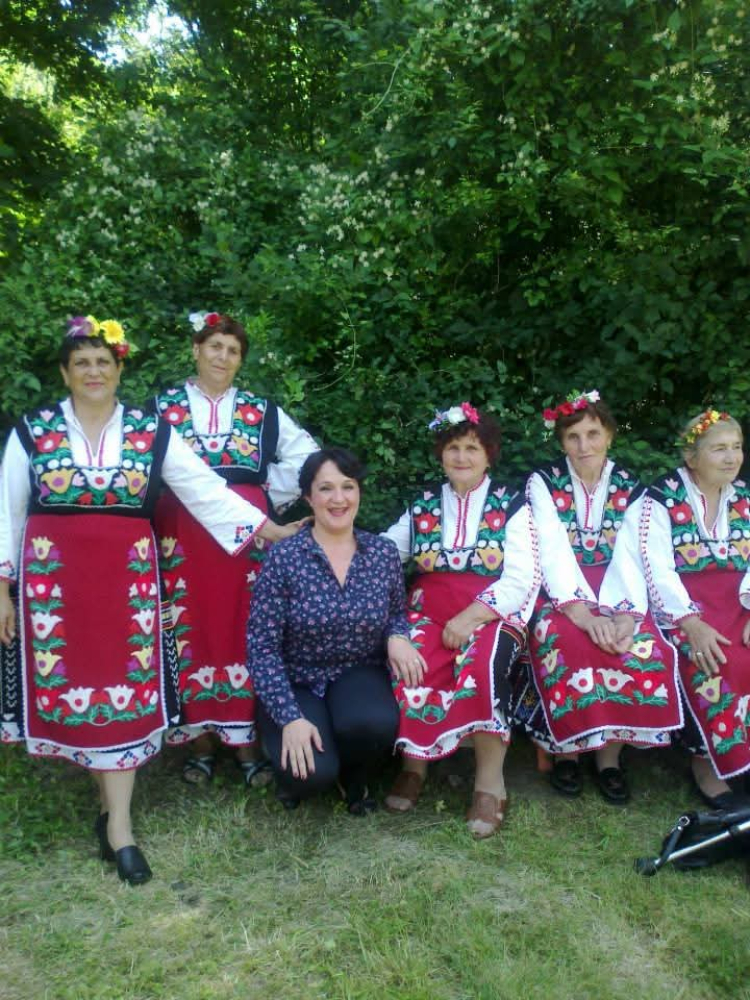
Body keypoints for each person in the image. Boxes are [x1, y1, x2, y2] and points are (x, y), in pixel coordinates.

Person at [0, 315, 300, 885]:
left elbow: (206, 491)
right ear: (65, 372)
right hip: (56, 588)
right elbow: (6, 510)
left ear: (119, 370)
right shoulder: (33, 432)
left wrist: (271, 530)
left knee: (122, 697)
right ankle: (111, 813)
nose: (93, 371)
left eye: (103, 362)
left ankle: (120, 827)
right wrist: (2, 590)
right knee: (79, 692)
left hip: (126, 582)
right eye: (82, 362)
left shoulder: (149, 431)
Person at [154, 311, 318, 787]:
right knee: (188, 627)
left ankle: (245, 742)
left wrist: (264, 493)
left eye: (233, 351)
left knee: (242, 629)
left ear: (241, 360)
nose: (222, 357)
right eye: (215, 346)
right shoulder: (160, 409)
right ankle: (199, 743)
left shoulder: (260, 411)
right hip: (180, 536)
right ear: (196, 350)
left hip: (247, 541)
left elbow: (308, 457)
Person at [382, 403, 539, 838]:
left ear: (489, 454)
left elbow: (523, 577)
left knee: (483, 667)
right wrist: (338, 550)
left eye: (472, 448)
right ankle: (414, 765)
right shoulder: (423, 506)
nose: (462, 457)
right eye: (453, 448)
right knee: (410, 657)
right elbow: (385, 554)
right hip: (428, 611)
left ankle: (490, 785)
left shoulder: (512, 505)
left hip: (491, 612)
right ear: (441, 454)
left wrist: (472, 617)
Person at [517, 390, 681, 803]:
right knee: (567, 640)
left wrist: (624, 615)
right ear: (561, 442)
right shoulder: (543, 482)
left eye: (593, 434)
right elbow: (550, 549)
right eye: (573, 437)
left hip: (618, 588)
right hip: (559, 592)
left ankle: (610, 757)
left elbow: (632, 553)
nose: (584, 445)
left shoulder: (630, 486)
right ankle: (567, 749)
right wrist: (583, 614)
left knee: (639, 645)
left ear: (609, 435)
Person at [247, 447, 417, 814]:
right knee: (311, 775)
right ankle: (312, 765)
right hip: (297, 679)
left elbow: (395, 613)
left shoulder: (382, 554)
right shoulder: (284, 557)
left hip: (357, 673)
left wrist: (398, 636)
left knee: (374, 724)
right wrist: (290, 717)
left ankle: (354, 777)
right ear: (309, 498)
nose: (338, 499)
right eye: (325, 488)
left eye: (348, 486)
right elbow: (262, 647)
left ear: (359, 493)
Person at [633, 409, 750, 806]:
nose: (731, 458)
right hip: (685, 608)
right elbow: (655, 567)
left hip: (739, 604)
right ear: (691, 456)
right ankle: (710, 765)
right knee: (718, 661)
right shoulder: (661, 498)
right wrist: (690, 623)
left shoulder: (744, 497)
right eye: (719, 449)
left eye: (736, 447)